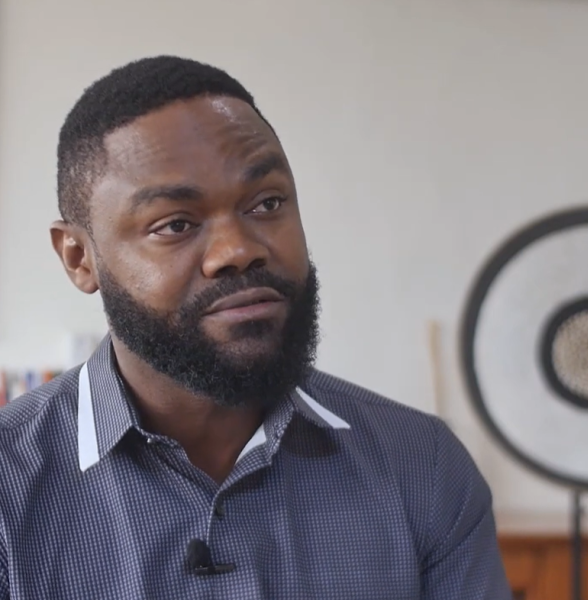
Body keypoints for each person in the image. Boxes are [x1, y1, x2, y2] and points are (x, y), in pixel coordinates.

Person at [0, 56, 511, 599]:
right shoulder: (10, 487)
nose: (238, 250)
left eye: (267, 203)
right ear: (79, 257)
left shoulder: (422, 467)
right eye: (175, 224)